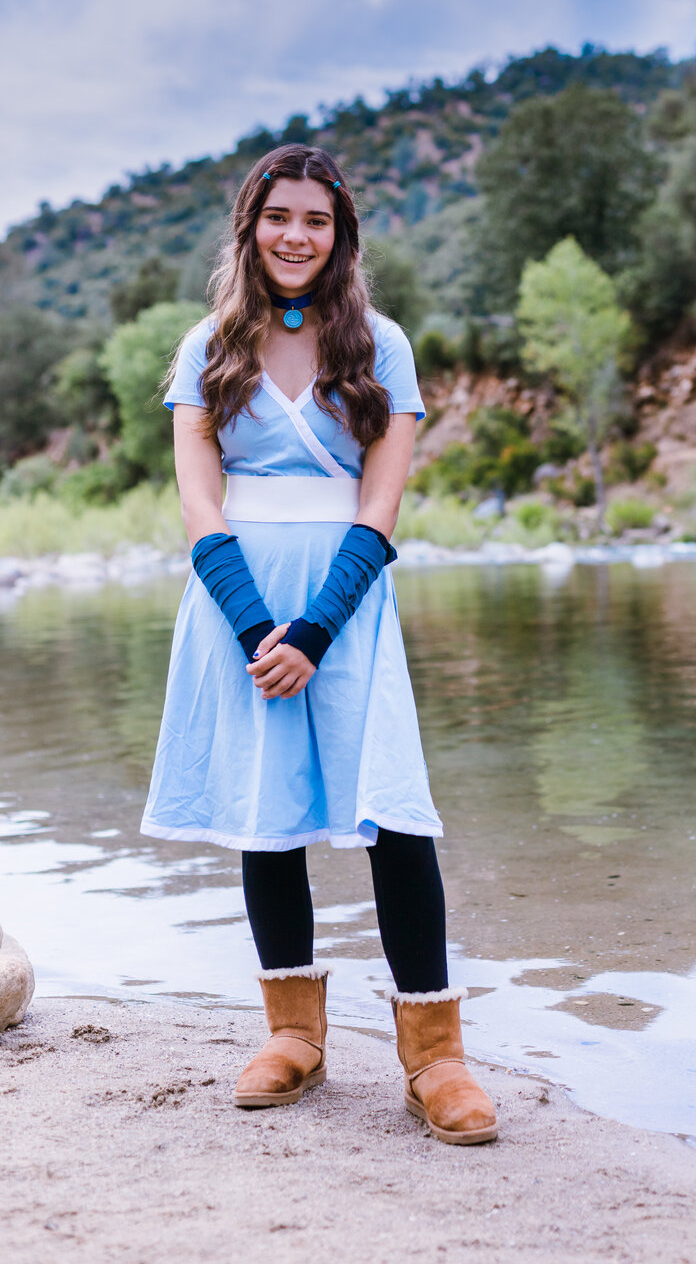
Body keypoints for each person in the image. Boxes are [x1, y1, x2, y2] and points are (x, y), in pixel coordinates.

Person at [141, 143, 496, 1145]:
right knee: (266, 813)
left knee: (392, 810)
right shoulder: (205, 345)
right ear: (249, 227)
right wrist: (260, 630)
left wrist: (315, 630)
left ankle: (435, 1056)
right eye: (278, 216)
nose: (296, 235)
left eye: (317, 220)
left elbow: (381, 507)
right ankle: (293, 1037)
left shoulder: (380, 343)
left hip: (346, 603)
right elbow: (199, 504)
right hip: (236, 605)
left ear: (340, 237)